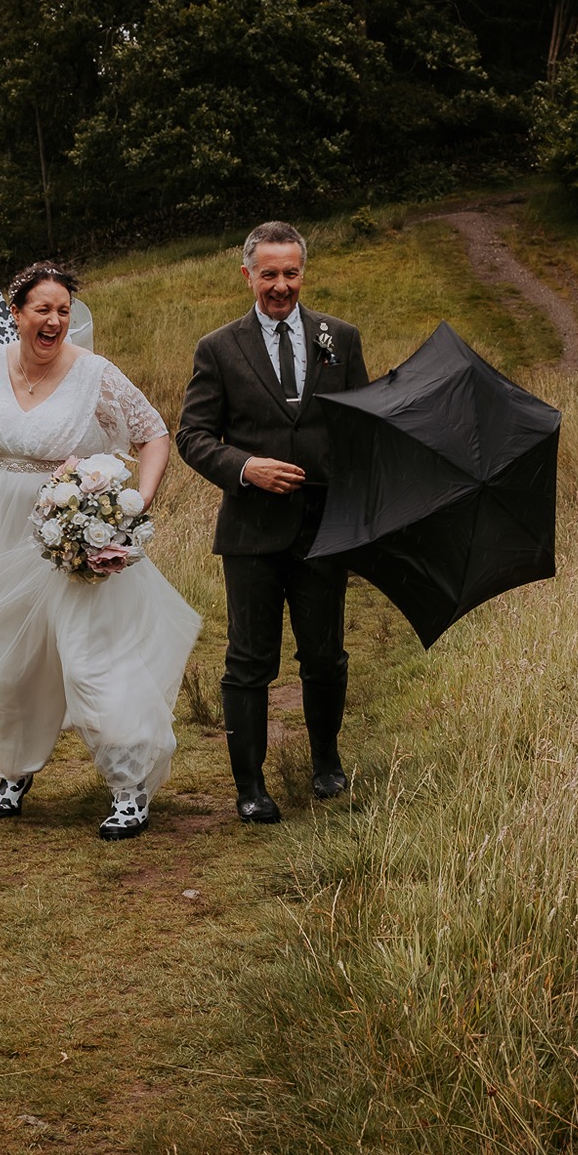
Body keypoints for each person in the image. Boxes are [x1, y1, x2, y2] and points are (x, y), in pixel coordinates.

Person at [0, 263, 201, 840]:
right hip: (4, 533)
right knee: (2, 653)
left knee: (90, 657)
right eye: (42, 309)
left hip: (76, 533)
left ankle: (130, 789)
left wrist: (133, 508)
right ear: (18, 314)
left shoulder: (95, 375)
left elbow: (153, 432)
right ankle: (13, 770)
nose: (54, 319)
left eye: (62, 310)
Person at [175, 222, 370, 823]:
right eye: (269, 274)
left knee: (326, 655)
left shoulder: (340, 337)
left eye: (290, 273)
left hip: (322, 529)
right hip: (251, 532)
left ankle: (326, 764)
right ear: (247, 275)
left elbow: (361, 425)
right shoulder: (219, 348)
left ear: (302, 273)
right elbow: (192, 436)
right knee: (249, 660)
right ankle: (251, 787)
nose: (280, 285)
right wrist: (245, 467)